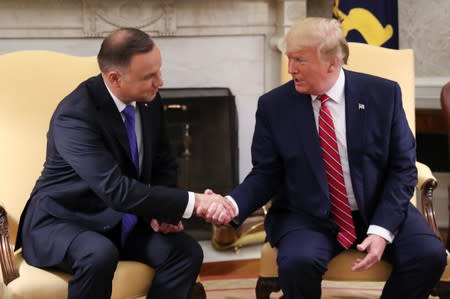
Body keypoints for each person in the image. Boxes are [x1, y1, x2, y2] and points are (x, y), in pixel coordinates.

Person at [213, 17, 447, 298]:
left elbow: (402, 169)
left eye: (300, 60)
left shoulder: (383, 95)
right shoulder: (274, 106)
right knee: (297, 262)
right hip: (307, 214)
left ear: (332, 63)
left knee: (429, 255)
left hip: (376, 207)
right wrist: (231, 204)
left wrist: (382, 230)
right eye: (289, 59)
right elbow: (266, 173)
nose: (290, 69)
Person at [15, 28, 234, 299]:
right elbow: (115, 190)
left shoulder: (148, 100)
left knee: (186, 252)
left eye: (159, 71)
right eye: (149, 76)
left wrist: (163, 215)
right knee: (98, 254)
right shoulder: (75, 116)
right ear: (115, 78)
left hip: (121, 222)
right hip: (64, 222)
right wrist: (196, 203)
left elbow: (164, 163)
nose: (160, 81)